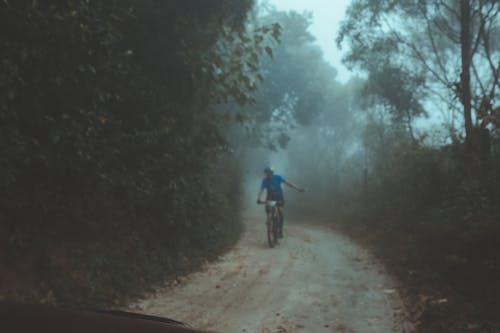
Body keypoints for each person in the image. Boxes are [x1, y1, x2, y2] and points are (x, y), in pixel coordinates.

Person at [256, 167, 304, 238]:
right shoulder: (265, 180)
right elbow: (261, 190)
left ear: (272, 173)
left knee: (281, 212)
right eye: (266, 174)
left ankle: (280, 230)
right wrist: (258, 199)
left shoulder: (277, 177)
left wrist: (298, 189)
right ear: (265, 174)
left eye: (269, 173)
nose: (268, 175)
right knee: (267, 208)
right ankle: (269, 221)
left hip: (279, 197)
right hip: (270, 197)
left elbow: (288, 183)